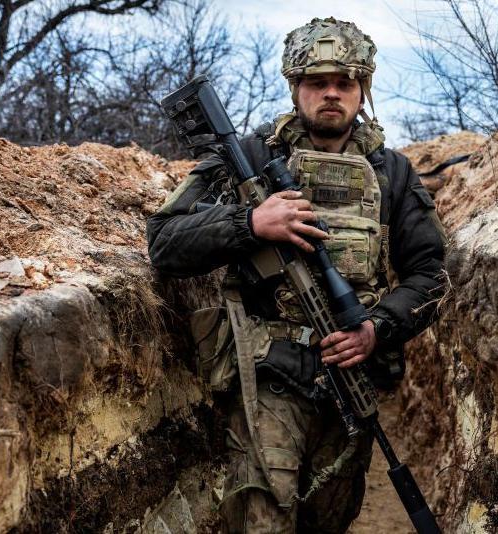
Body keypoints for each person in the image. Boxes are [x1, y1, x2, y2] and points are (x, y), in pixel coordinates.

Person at [147, 17, 445, 533]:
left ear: (362, 90)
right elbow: (165, 241)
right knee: (263, 517)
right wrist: (250, 223)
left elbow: (431, 275)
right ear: (294, 87)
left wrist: (377, 329)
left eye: (344, 83)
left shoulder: (392, 172)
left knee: (329, 519)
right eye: (317, 82)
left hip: (351, 378)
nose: (331, 94)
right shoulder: (251, 157)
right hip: (270, 375)